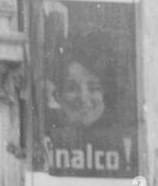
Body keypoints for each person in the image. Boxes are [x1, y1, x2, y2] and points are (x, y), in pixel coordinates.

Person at [46, 44, 137, 178]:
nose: (84, 98)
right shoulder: (49, 140)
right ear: (57, 95)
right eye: (72, 88)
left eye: (94, 87)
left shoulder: (127, 141)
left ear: (106, 94)